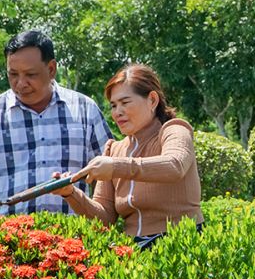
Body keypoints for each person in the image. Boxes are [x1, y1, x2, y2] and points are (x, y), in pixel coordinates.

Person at [0, 30, 113, 221]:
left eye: (31, 74)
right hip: (11, 241)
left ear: (51, 69)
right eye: (13, 74)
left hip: (75, 242)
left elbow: (105, 179)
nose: (21, 83)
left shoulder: (85, 109)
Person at [52, 63, 203, 249]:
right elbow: (105, 218)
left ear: (152, 100)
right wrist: (71, 194)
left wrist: (116, 167)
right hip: (132, 253)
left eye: (125, 103)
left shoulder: (174, 130)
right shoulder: (114, 150)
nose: (117, 112)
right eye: (113, 105)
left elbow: (175, 165)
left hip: (180, 246)